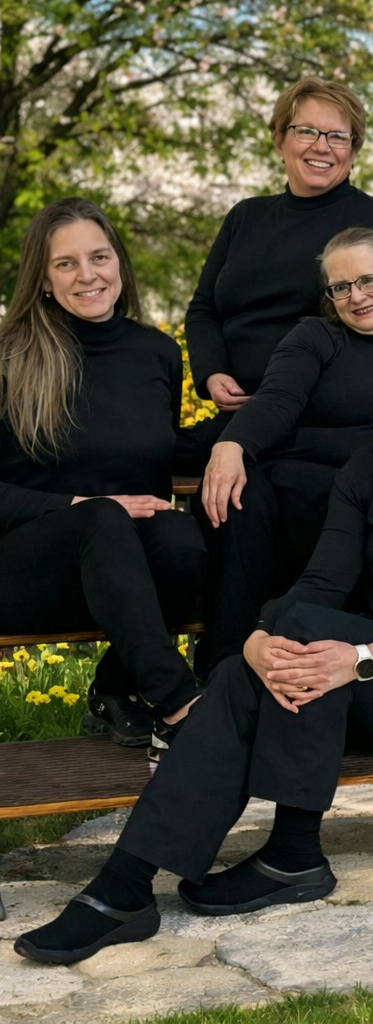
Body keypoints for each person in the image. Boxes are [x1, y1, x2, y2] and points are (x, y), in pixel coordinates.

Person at [14, 302, 373, 966]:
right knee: (256, 662)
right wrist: (259, 640)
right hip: (367, 676)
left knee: (300, 646)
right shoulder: (369, 466)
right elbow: (321, 581)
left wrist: (361, 659)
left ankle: (260, 858)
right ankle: (140, 882)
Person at [0, 198, 203, 762]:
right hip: (25, 575)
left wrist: (245, 435)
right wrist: (77, 503)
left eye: (99, 257)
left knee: (182, 539)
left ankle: (114, 689)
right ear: (43, 278)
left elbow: (162, 447)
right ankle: (179, 703)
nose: (88, 275)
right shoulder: (11, 357)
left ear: (119, 263)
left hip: (123, 582)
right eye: (66, 263)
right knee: (103, 518)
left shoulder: (156, 353)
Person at [195, 227, 373, 672]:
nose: (356, 296)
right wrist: (230, 445)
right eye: (340, 287)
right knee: (239, 494)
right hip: (300, 497)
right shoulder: (316, 336)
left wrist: (306, 439)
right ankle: (226, 666)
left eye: (368, 280)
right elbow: (277, 400)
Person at [185, 76, 373, 438]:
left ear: (354, 150)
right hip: (239, 416)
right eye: (306, 131)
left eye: (337, 137)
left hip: (333, 427)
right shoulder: (244, 217)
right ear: (279, 139)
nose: (322, 147)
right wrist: (212, 373)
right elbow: (204, 308)